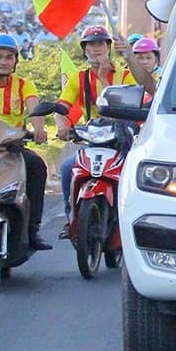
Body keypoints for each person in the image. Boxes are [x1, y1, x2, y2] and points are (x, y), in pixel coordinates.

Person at [0, 33, 51, 249]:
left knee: (37, 166)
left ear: (15, 61)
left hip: (12, 148)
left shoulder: (24, 85)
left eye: (8, 57)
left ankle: (32, 229)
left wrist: (39, 129)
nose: (3, 61)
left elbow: (35, 108)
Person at [55, 25, 136, 236]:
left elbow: (130, 104)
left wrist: (102, 78)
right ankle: (71, 219)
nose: (96, 48)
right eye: (91, 44)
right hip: (94, 141)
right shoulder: (78, 79)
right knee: (66, 169)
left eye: (101, 43)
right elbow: (62, 107)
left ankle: (131, 221)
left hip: (123, 141)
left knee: (132, 175)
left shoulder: (125, 75)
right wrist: (62, 126)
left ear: (109, 47)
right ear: (84, 49)